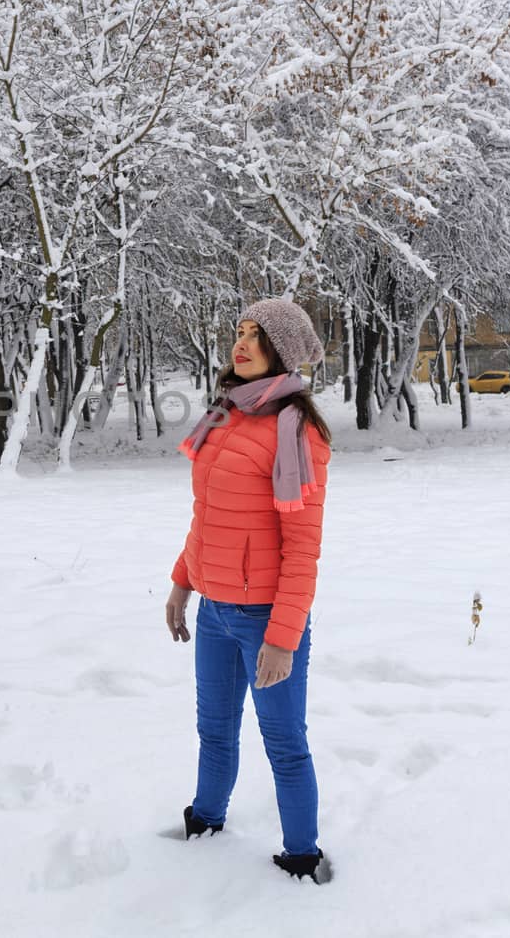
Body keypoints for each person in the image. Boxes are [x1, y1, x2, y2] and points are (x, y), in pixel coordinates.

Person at [164, 298, 334, 885]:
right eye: (239, 331)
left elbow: (302, 548)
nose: (241, 343)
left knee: (284, 743)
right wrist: (183, 583)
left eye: (257, 336)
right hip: (215, 612)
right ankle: (204, 824)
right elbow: (208, 516)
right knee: (213, 729)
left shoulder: (297, 431)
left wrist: (283, 638)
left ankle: (302, 858)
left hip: (266, 617)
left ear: (281, 352)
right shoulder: (224, 415)